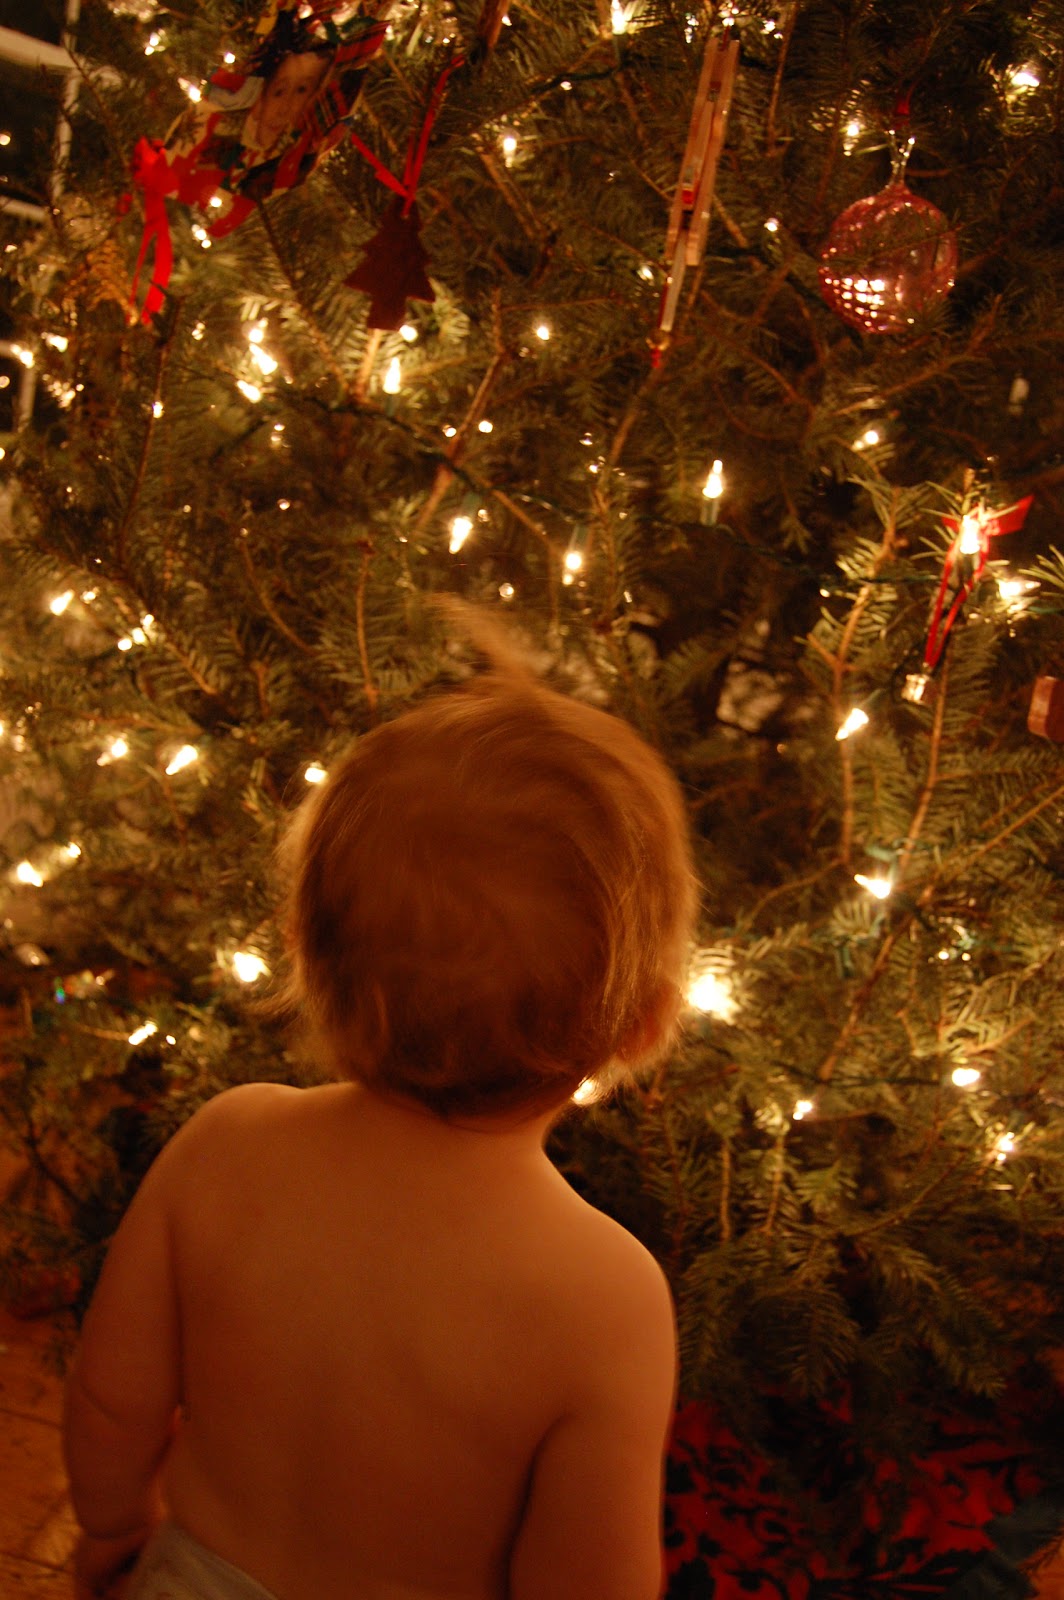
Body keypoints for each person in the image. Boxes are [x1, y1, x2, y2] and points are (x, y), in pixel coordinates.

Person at [62, 606, 700, 1600]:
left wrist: (111, 1533)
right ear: (644, 1024)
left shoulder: (227, 1143)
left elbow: (113, 1396)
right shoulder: (604, 1299)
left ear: (305, 952)